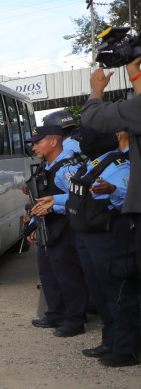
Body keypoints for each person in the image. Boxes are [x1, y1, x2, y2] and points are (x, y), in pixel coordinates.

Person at [65, 130, 138, 366]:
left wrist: (113, 191)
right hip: (88, 236)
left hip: (110, 237)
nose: (79, 145)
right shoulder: (91, 163)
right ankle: (111, 341)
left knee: (118, 294)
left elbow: (131, 198)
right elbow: (77, 195)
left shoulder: (119, 165)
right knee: (99, 293)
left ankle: (129, 349)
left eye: (84, 140)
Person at [27, 124, 87, 337]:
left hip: (65, 226)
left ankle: (75, 320)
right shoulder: (48, 166)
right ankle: (55, 313)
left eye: (38, 143)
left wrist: (54, 205)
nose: (34, 148)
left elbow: (80, 198)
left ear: (53, 142)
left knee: (68, 275)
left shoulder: (66, 168)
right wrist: (34, 225)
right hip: (48, 226)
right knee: (48, 272)